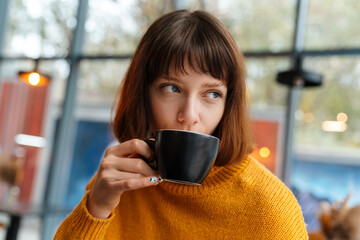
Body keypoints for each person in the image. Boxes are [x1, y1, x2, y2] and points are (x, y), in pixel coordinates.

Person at [54, 9, 308, 239]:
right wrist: (96, 206)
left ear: (228, 105)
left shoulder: (271, 212)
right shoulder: (117, 183)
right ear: (143, 95)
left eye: (212, 94)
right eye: (171, 88)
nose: (189, 114)